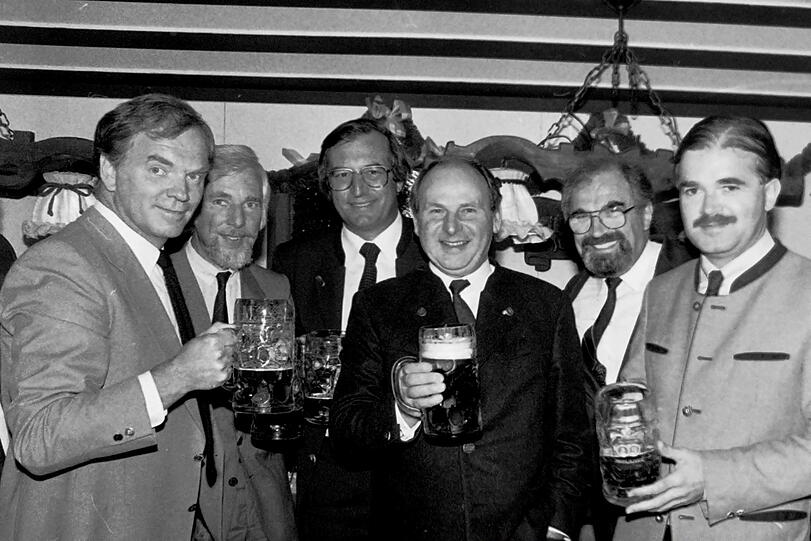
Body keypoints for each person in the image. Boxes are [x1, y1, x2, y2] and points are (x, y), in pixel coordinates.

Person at [0, 93, 237, 540]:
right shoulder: (66, 264)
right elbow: (39, 435)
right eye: (158, 169)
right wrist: (176, 377)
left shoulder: (155, 261)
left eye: (195, 176)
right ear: (108, 171)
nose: (182, 192)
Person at [331, 156, 591, 541]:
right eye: (436, 211)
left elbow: (572, 434)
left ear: (496, 219)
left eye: (468, 210)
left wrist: (556, 527)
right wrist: (401, 409)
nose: (452, 227)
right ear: (416, 223)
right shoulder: (377, 307)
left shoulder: (546, 306)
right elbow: (346, 431)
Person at [616, 116, 811, 541]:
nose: (708, 209)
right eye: (692, 190)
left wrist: (714, 475)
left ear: (771, 193)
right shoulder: (660, 291)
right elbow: (632, 404)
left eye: (730, 186)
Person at [271, 118, 426, 540]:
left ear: (398, 180)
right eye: (342, 175)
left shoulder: (437, 256)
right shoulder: (293, 263)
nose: (358, 190)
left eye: (373, 173)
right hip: (326, 484)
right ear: (327, 186)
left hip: (420, 480)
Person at [560, 159, 695, 541]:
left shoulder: (693, 281)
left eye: (614, 211)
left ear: (648, 213)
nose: (597, 229)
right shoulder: (569, 299)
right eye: (581, 216)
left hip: (678, 515)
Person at [170, 144, 297, 540]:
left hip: (260, 507)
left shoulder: (276, 288)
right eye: (221, 201)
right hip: (178, 506)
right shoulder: (155, 279)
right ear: (193, 210)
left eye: (252, 204)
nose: (238, 220)